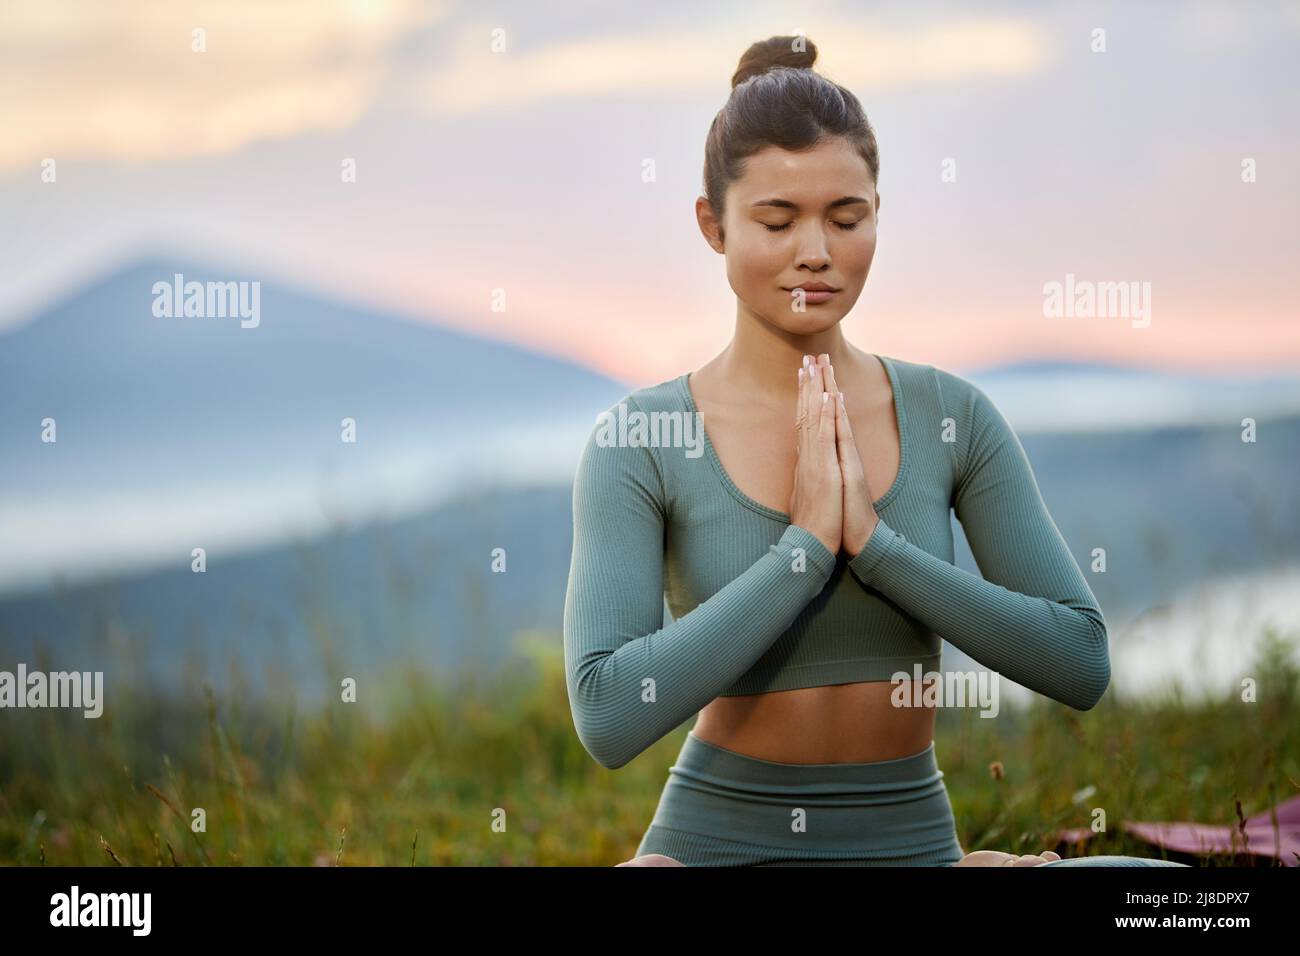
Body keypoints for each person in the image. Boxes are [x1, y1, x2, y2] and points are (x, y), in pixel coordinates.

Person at [563, 35, 1189, 868]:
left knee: (1181, 901)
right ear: (712, 225)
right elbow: (607, 716)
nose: (815, 251)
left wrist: (877, 547)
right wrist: (804, 551)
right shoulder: (640, 441)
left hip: (912, 850)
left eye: (846, 218)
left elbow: (1079, 660)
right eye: (777, 220)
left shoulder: (951, 416)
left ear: (877, 216)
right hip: (717, 848)